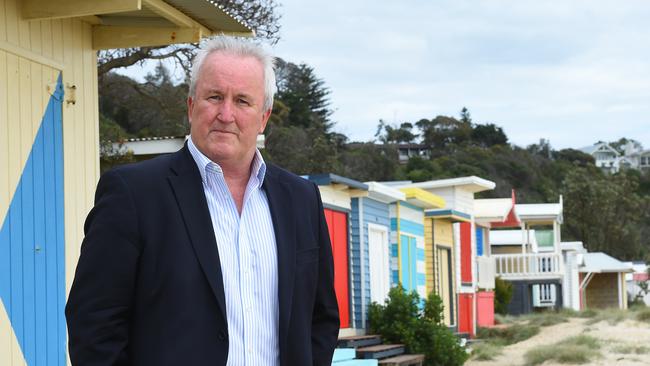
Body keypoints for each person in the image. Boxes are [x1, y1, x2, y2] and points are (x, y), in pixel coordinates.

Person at [65, 36, 340, 366]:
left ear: (263, 117)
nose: (226, 114)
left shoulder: (301, 199)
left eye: (242, 101)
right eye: (214, 96)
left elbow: (320, 320)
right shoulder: (133, 194)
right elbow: (94, 326)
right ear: (192, 105)